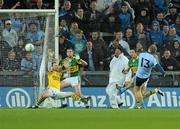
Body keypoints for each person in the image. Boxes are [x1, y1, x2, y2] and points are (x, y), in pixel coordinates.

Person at [134, 45, 166, 109]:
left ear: (149, 49)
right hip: (146, 78)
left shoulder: (142, 54)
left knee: (137, 91)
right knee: (141, 93)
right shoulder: (153, 59)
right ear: (155, 52)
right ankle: (155, 91)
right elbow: (158, 67)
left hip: (139, 76)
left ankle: (140, 106)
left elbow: (137, 57)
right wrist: (163, 72)